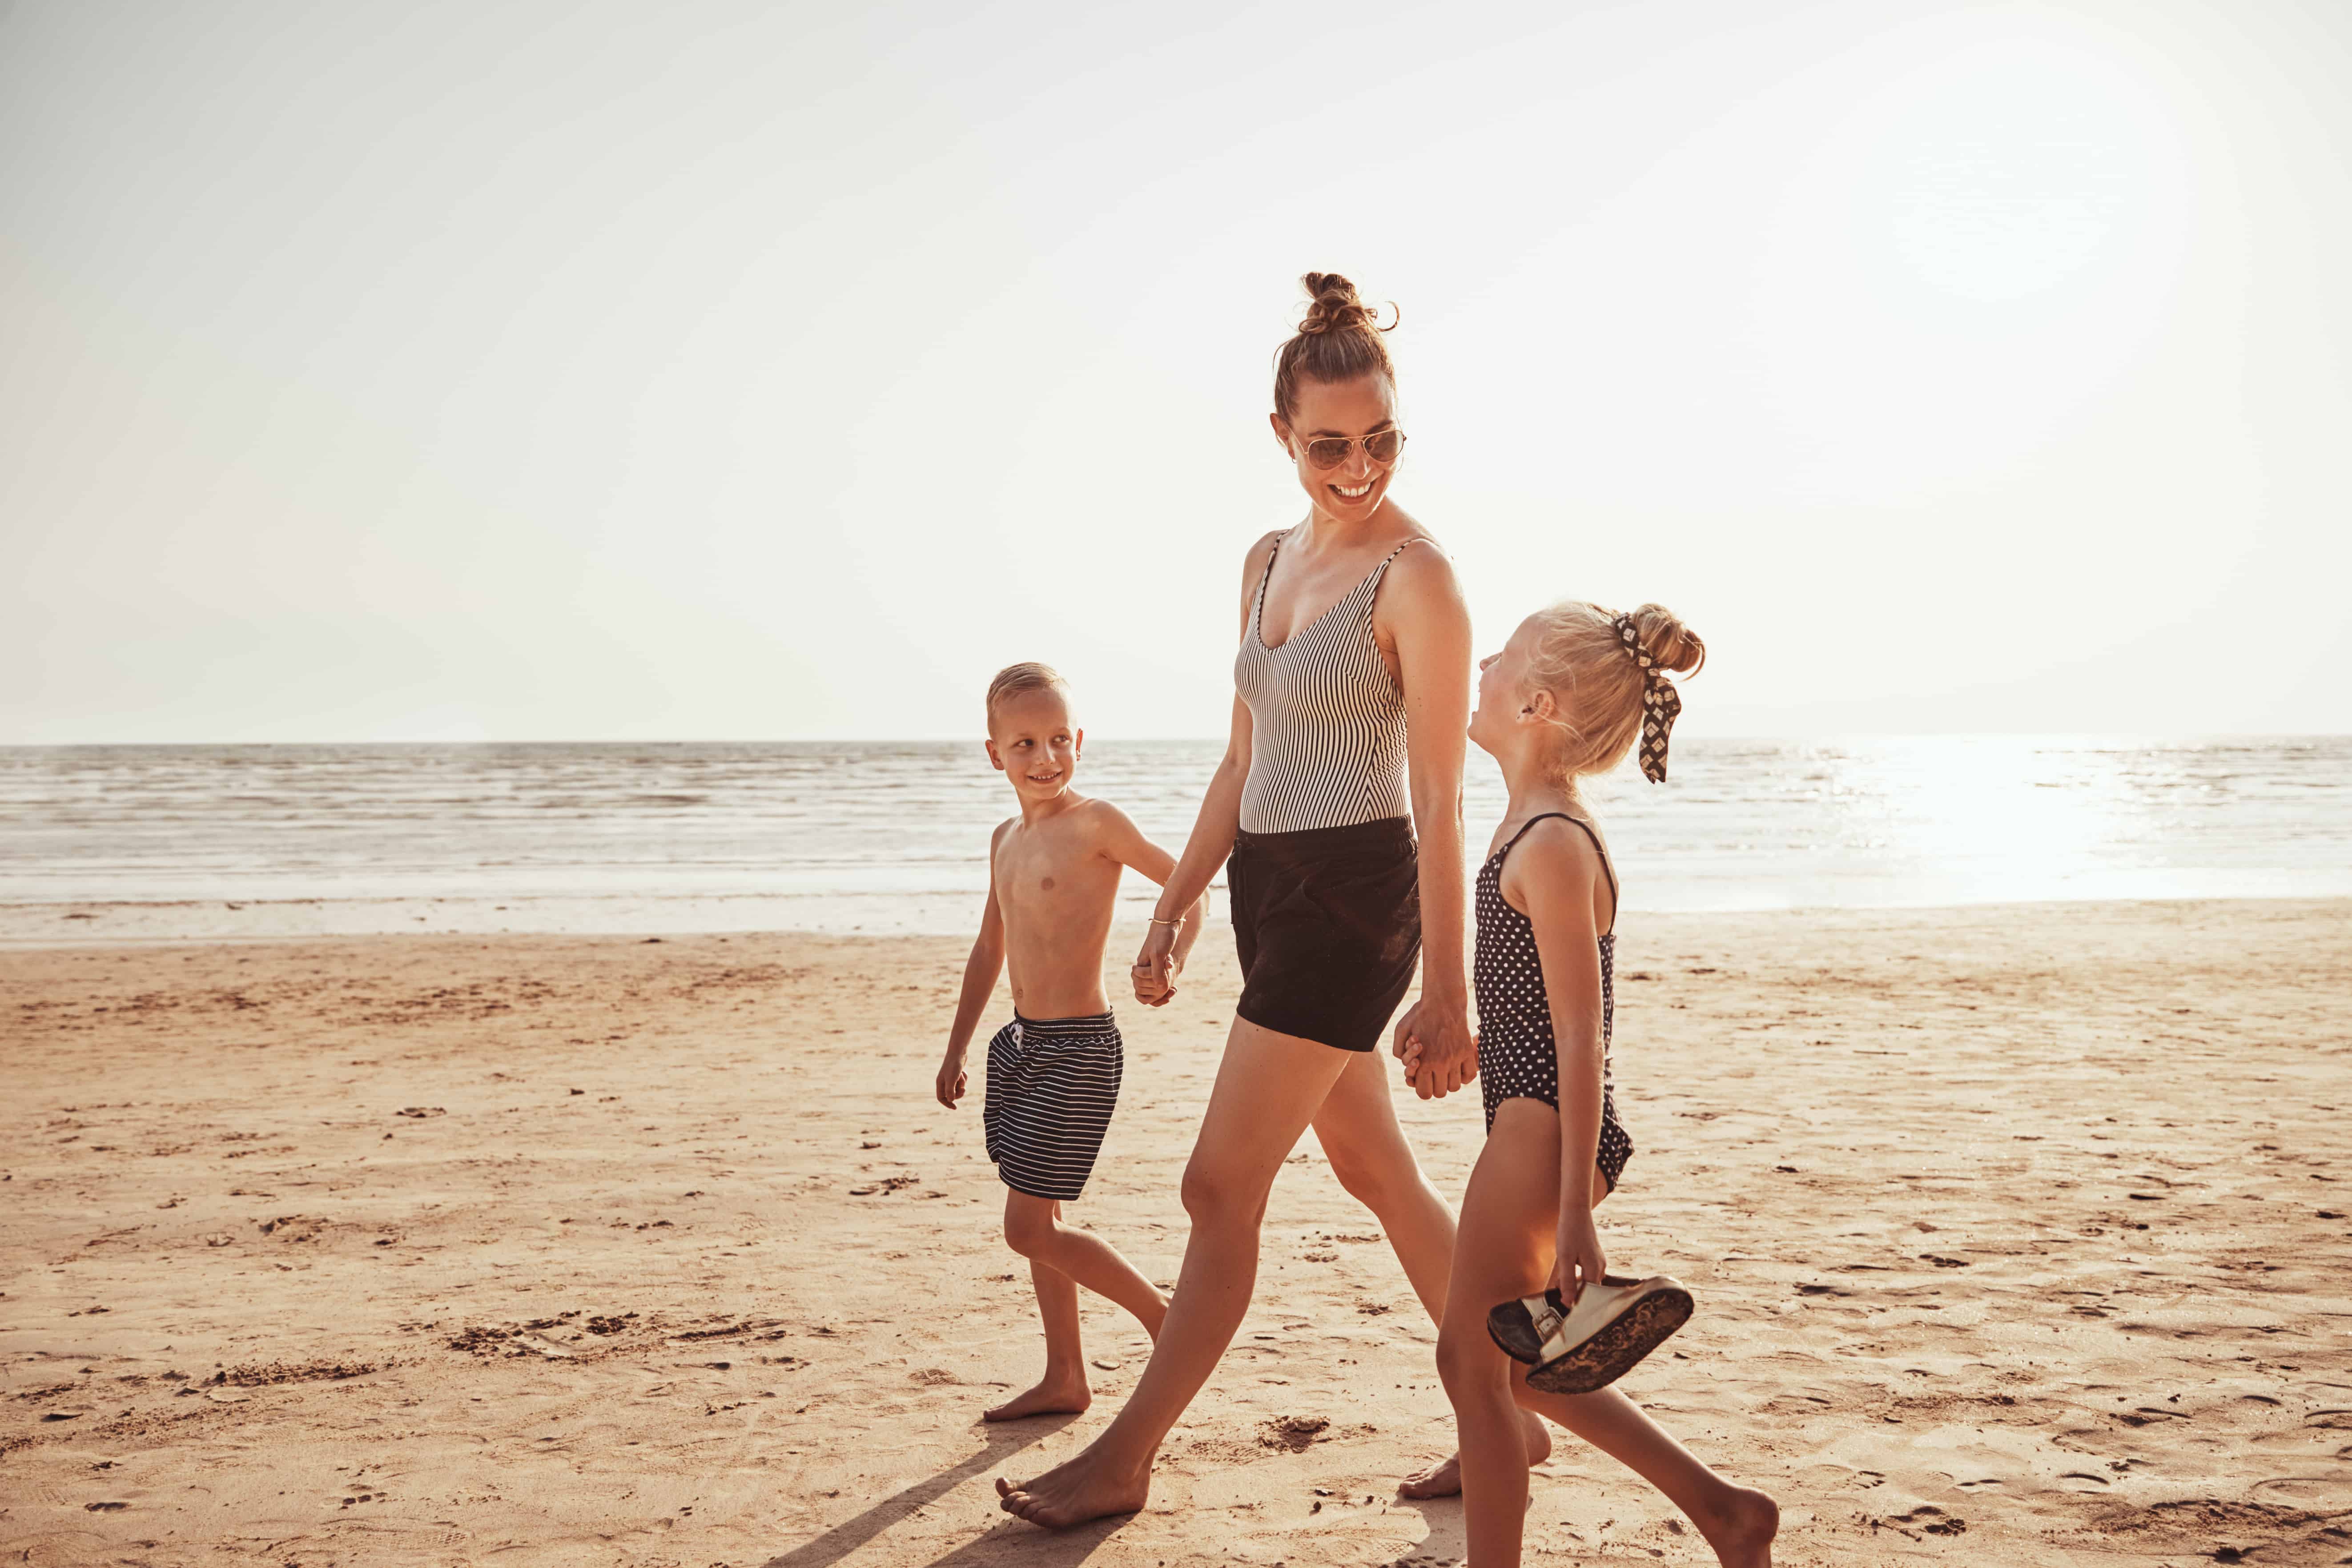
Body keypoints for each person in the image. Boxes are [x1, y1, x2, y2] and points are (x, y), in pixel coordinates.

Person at [997, 272, 1544, 1527]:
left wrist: (1450, 992)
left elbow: (1443, 796)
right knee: (1374, 1169)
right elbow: (1243, 755)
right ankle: (1504, 1412)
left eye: (1381, 438)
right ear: (1282, 436)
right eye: (1328, 444)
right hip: (1267, 887)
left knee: (1215, 1186)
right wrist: (1179, 897)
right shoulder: (1263, 561)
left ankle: (1125, 1453)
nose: (1357, 466)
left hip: (1360, 899)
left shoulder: (1421, 577)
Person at [1419, 602, 1778, 1566]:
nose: (1481, 661)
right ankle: (1724, 1511)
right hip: (1528, 1119)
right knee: (1526, 1367)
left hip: (1544, 1133)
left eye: (1499, 656)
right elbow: (1536, 1014)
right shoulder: (1530, 823)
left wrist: (1575, 1206)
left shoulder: (1552, 841)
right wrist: (1465, 1039)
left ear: (1534, 702)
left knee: (1471, 1365)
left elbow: (1583, 1037)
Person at [934, 661, 1204, 1423]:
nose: (1045, 758)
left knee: (1025, 1226)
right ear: (994, 753)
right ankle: (1065, 1377)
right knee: (1040, 1224)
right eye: (1024, 744)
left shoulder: (1098, 823)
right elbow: (990, 948)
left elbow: (1190, 891)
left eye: (1058, 739)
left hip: (1082, 1047)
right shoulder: (1004, 839)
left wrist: (1169, 959)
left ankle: (1166, 1324)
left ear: (1079, 739)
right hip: (1019, 1045)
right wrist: (956, 1047)